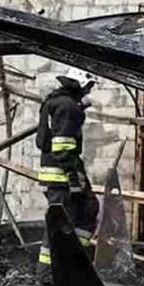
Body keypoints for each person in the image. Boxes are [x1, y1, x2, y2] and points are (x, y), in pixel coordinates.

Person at [37, 75, 101, 267]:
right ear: (81, 82)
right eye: (89, 85)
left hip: (65, 169)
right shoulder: (67, 106)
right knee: (62, 222)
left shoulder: (60, 102)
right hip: (62, 173)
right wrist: (72, 178)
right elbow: (62, 145)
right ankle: (48, 273)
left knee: (88, 209)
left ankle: (74, 260)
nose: (89, 90)